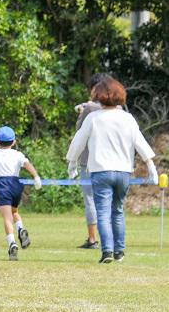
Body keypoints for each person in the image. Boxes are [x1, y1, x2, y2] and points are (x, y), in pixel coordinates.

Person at [66, 76, 158, 263]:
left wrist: (72, 163)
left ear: (99, 96)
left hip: (101, 171)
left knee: (103, 212)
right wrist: (151, 166)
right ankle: (119, 251)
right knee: (118, 211)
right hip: (123, 171)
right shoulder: (127, 118)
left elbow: (78, 142)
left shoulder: (93, 118)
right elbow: (140, 142)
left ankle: (107, 251)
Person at [0, 126, 42, 261]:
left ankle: (12, 244)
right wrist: (36, 177)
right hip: (16, 184)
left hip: (3, 184)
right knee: (14, 211)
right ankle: (21, 229)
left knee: (7, 218)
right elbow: (27, 164)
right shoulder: (17, 154)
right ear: (13, 142)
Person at [73, 73, 112, 249]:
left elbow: (80, 131)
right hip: (110, 160)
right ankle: (110, 239)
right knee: (108, 200)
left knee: (91, 200)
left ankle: (92, 239)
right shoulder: (115, 108)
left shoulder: (89, 108)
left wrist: (82, 112)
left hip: (88, 161)